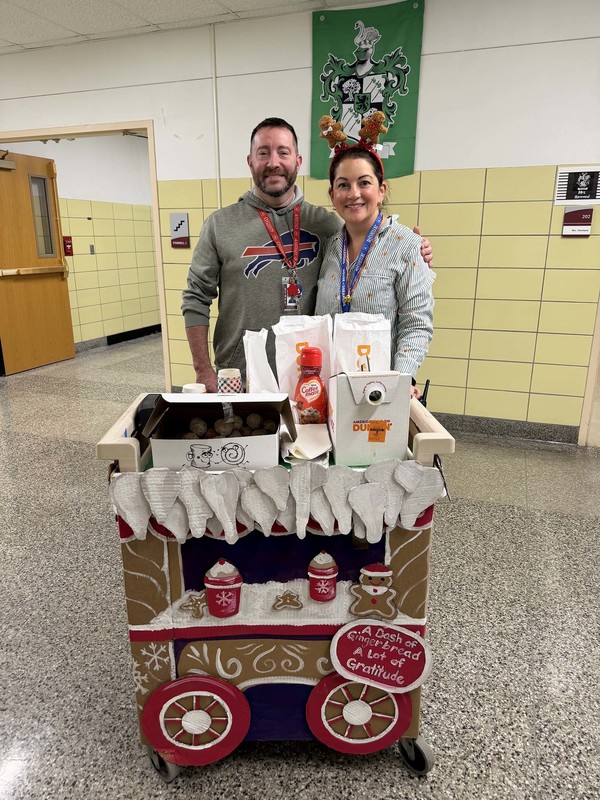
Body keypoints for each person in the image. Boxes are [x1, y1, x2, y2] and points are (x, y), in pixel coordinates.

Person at [182, 117, 433, 392]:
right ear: (250, 161)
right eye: (263, 153)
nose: (273, 162)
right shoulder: (220, 225)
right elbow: (195, 297)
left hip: (311, 379)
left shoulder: (328, 226)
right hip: (241, 376)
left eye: (283, 152)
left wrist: (414, 250)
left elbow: (373, 241)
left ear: (298, 161)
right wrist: (203, 370)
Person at [315, 139, 434, 386]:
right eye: (343, 185)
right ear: (332, 195)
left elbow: (416, 323)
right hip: (328, 386)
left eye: (364, 183)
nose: (354, 193)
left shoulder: (408, 246)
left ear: (381, 190)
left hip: (380, 390)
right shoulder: (329, 246)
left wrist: (402, 381)